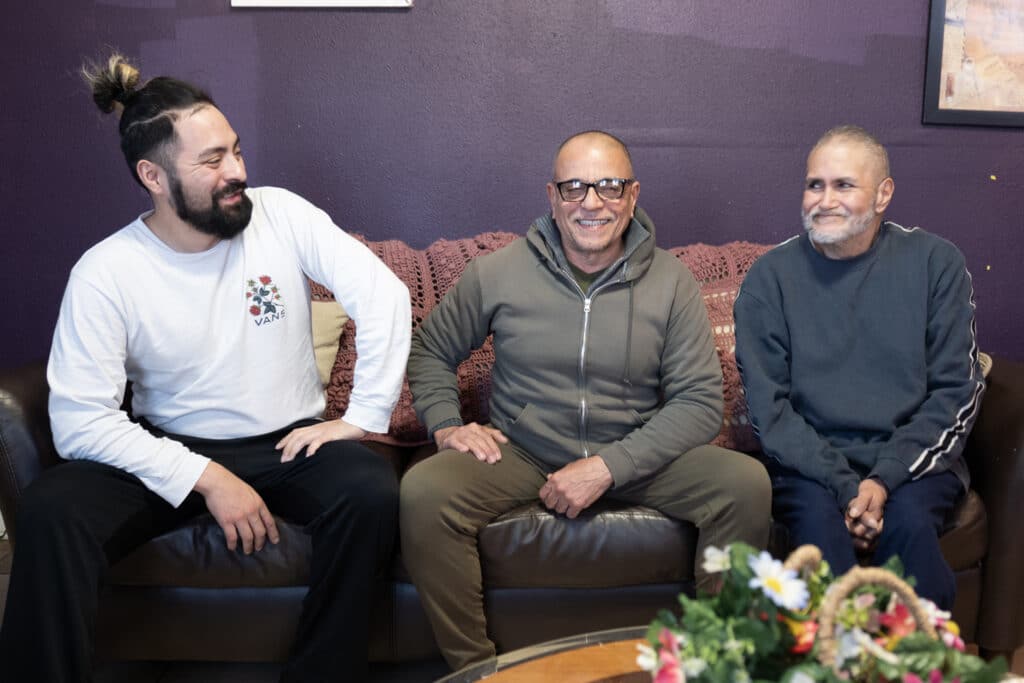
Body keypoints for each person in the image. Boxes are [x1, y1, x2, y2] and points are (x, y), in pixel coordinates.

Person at [0, 54, 411, 682]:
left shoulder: (281, 214)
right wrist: (207, 478)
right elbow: (79, 420)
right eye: (211, 161)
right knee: (52, 511)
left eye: (236, 152)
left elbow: (384, 295)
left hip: (285, 443)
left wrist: (360, 419)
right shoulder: (107, 271)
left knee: (371, 492)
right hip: (169, 447)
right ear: (153, 176)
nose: (237, 172)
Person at [401, 130, 771, 670]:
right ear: (552, 197)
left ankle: (708, 663)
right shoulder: (497, 272)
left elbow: (697, 401)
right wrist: (445, 425)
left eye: (609, 186)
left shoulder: (672, 283)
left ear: (633, 194)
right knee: (423, 492)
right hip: (523, 452)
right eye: (574, 187)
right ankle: (475, 671)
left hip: (636, 453)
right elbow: (431, 347)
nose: (591, 202)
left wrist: (607, 467)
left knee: (745, 485)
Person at [734, 125, 984, 610]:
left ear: (883, 193)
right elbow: (771, 411)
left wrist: (883, 479)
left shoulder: (936, 263)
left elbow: (956, 392)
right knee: (820, 554)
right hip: (809, 468)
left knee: (910, 535)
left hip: (914, 464)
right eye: (814, 185)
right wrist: (850, 488)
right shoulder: (770, 278)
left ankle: (922, 664)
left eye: (843, 185)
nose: (824, 200)